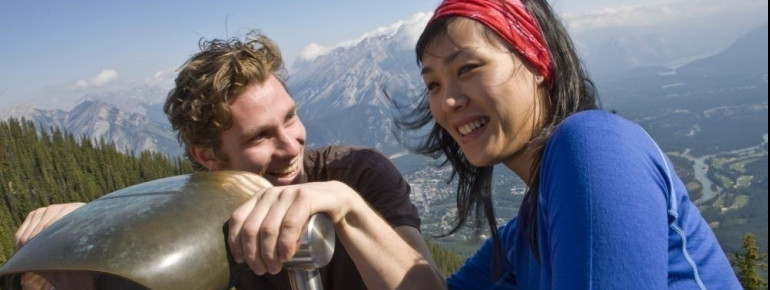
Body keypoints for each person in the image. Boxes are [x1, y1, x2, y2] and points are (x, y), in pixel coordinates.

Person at [13, 31, 443, 289]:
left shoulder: (358, 173)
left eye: (290, 117)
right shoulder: (197, 216)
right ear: (207, 156)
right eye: (260, 136)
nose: (292, 146)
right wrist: (84, 233)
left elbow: (424, 286)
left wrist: (345, 206)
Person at [392, 0, 742, 288]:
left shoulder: (594, 147)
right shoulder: (524, 234)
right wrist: (354, 211)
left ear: (537, 60)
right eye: (433, 85)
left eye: (467, 68)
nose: (447, 102)